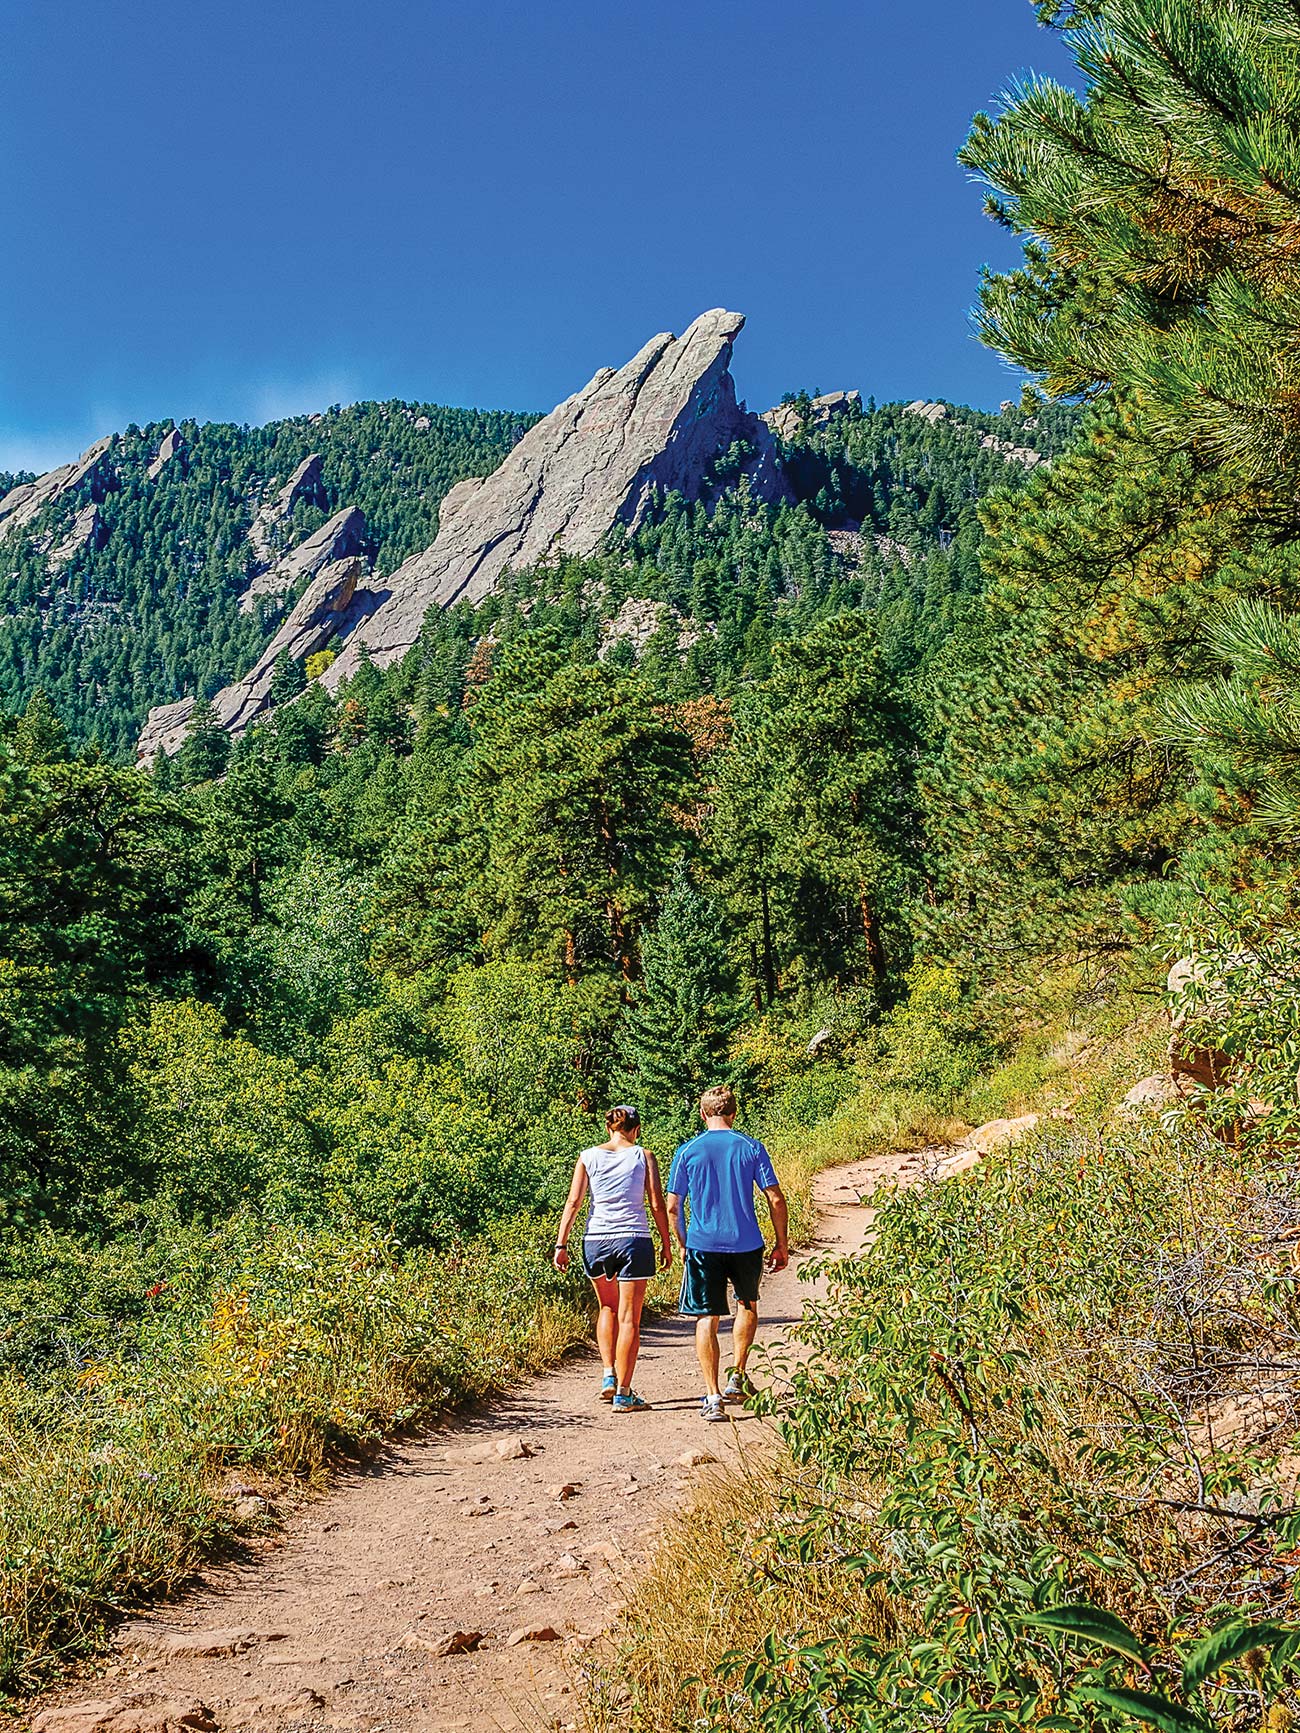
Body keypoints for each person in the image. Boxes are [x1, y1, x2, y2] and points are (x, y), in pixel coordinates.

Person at [666, 1083, 789, 1424]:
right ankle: (738, 1374)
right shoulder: (751, 1147)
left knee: (707, 1316)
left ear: (703, 1113)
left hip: (703, 1245)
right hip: (746, 1241)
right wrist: (782, 1242)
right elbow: (775, 1198)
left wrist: (682, 1243)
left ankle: (711, 1395)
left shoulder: (688, 1151)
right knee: (747, 1304)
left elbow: (673, 1206)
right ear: (733, 1113)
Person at [554, 1105, 672, 1414]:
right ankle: (623, 1392)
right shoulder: (643, 1156)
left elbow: (574, 1201)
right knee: (629, 1317)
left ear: (609, 1128)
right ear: (636, 1129)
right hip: (633, 1239)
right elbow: (657, 1203)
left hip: (596, 1239)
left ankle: (608, 1373)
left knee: (607, 1307)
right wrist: (667, 1243)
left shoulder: (587, 1156)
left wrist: (561, 1244)